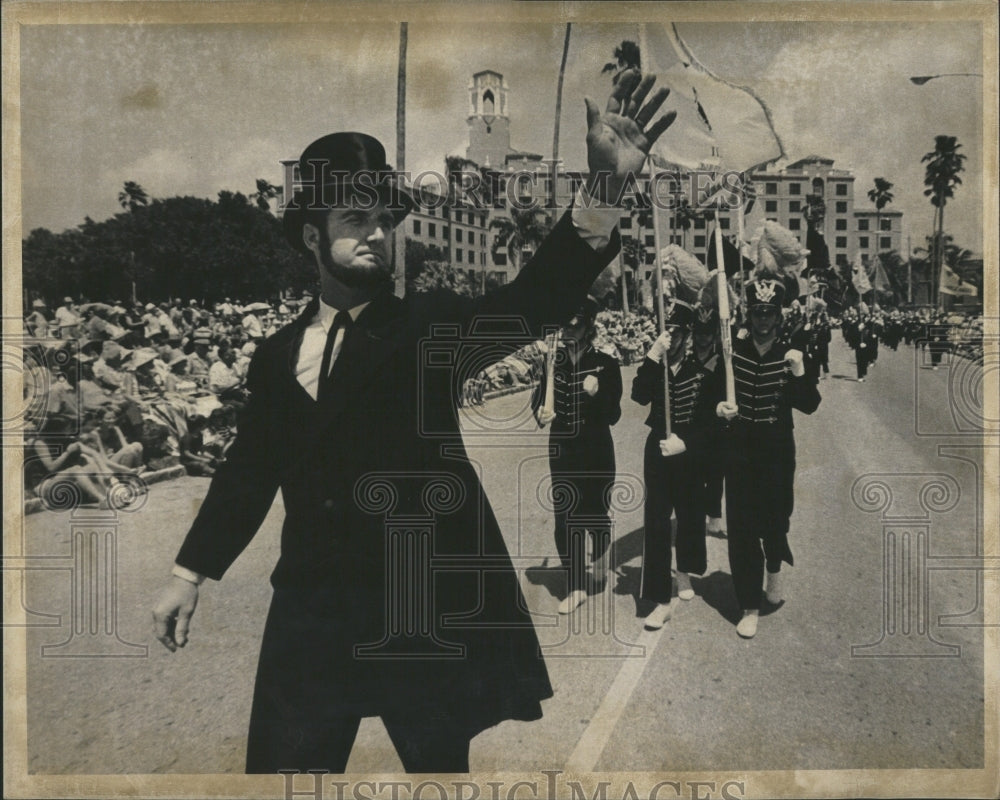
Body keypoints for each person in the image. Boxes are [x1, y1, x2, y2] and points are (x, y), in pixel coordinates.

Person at [151, 70, 676, 774]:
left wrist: (605, 191)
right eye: (354, 221)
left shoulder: (428, 329)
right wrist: (190, 572)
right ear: (311, 236)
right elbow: (248, 470)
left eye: (382, 221)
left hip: (420, 606)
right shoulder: (276, 356)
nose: (375, 236)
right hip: (314, 608)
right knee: (288, 773)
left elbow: (533, 300)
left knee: (437, 772)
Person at [717, 273, 821, 638]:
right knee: (742, 530)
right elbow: (715, 392)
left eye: (769, 312)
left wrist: (800, 372)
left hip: (777, 453)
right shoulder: (733, 352)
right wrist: (721, 408)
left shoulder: (792, 353)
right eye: (758, 312)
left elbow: (810, 405)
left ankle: (774, 567)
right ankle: (749, 604)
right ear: (749, 313)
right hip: (740, 452)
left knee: (774, 523)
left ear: (779, 315)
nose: (763, 319)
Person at [631, 299, 722, 629]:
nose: (670, 338)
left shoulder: (702, 374)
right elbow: (638, 396)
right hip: (657, 451)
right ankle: (660, 599)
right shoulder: (655, 369)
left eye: (675, 332)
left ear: (687, 335)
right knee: (656, 523)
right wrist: (652, 356)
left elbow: (711, 427)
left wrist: (687, 442)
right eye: (665, 331)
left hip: (687, 452)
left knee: (688, 517)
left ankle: (684, 572)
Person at [532, 296, 623, 615]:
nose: (569, 332)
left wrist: (598, 394)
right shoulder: (550, 363)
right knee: (565, 518)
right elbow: (540, 403)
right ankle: (575, 585)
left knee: (595, 515)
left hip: (596, 448)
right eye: (564, 326)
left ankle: (600, 552)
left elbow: (614, 414)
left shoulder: (607, 364)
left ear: (588, 328)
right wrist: (540, 413)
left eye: (576, 326)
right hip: (563, 448)